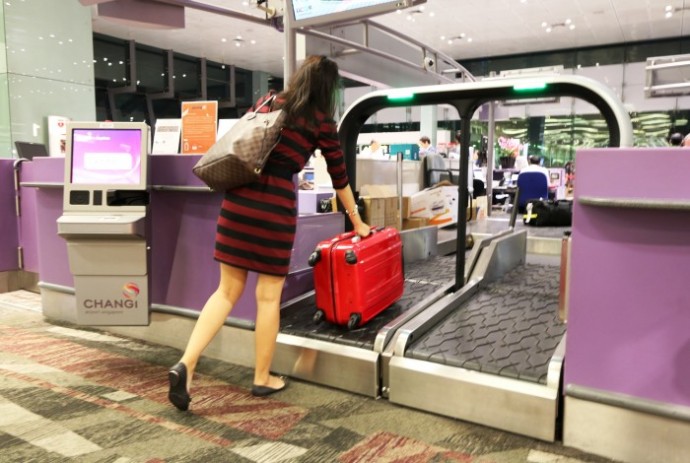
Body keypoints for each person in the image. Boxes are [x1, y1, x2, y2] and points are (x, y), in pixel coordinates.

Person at [167, 55, 371, 411]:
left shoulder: (269, 100)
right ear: (328, 89)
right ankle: (262, 377)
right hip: (275, 208)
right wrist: (357, 221)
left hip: (238, 200)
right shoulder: (321, 121)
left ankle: (187, 362)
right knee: (267, 297)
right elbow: (340, 176)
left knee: (226, 292)